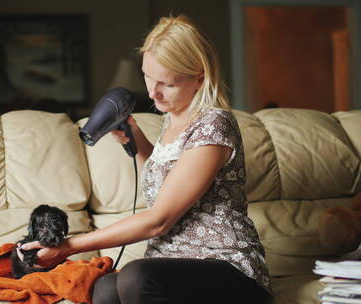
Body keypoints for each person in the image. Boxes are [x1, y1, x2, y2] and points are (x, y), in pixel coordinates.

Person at [17, 15, 272, 304]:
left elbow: (158, 220)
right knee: (106, 289)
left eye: (167, 84)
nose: (152, 92)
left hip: (226, 269)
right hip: (171, 263)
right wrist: (136, 138)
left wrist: (67, 247)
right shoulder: (172, 118)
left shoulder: (214, 125)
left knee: (137, 277)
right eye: (148, 76)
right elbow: (166, 184)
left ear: (199, 76)